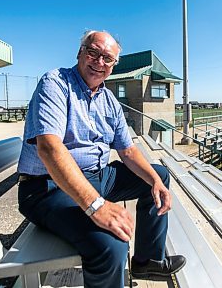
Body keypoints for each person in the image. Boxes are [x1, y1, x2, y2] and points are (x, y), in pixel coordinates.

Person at [17, 30, 186, 287]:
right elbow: (50, 149)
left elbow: (127, 151)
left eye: (107, 58)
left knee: (157, 176)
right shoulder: (55, 83)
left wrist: (155, 181)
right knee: (112, 242)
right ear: (80, 53)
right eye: (93, 52)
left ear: (113, 65)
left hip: (96, 176)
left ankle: (148, 262)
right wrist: (97, 206)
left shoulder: (109, 101)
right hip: (47, 187)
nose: (99, 61)